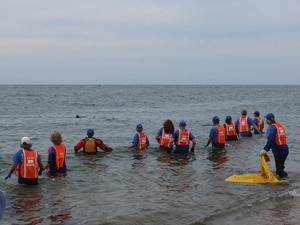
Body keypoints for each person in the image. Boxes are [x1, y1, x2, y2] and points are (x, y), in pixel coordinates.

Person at [260, 113, 289, 178]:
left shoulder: (272, 128)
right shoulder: (279, 125)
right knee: (280, 167)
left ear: (269, 120)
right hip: (285, 149)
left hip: (279, 151)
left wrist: (265, 149)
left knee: (279, 170)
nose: (266, 121)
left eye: (266, 119)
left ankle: (285, 182)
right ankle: (284, 182)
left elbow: (271, 139)